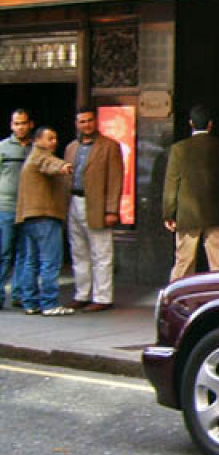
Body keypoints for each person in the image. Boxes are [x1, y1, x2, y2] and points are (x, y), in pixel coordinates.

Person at [162, 104, 219, 281]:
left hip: (188, 214)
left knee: (184, 261)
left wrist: (169, 213)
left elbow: (172, 183)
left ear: (191, 123)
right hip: (218, 213)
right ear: (210, 124)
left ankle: (178, 298)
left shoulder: (179, 149)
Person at [64, 106, 124, 312]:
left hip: (97, 205)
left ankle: (103, 297)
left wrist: (111, 210)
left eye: (89, 120)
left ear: (96, 121)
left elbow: (116, 180)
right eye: (82, 121)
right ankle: (81, 294)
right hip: (74, 201)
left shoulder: (110, 146)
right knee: (78, 251)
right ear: (76, 124)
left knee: (102, 252)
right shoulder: (71, 147)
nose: (86, 125)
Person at [15, 126, 75, 316]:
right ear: (37, 140)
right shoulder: (41, 156)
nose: (54, 142)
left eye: (55, 138)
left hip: (29, 217)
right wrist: (63, 167)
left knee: (30, 262)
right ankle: (49, 303)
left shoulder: (31, 158)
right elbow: (49, 164)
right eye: (50, 138)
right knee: (50, 261)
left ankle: (30, 302)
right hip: (46, 216)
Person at [1, 108, 34, 309]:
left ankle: (19, 293)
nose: (20, 127)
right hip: (5, 206)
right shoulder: (3, 147)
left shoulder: (36, 148)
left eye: (23, 123)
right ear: (11, 125)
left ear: (30, 124)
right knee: (3, 253)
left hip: (29, 208)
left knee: (25, 253)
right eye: (16, 124)